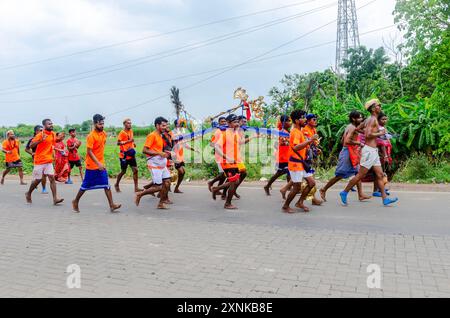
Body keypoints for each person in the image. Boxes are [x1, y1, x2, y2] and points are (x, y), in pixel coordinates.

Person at [339, 99, 398, 206]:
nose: (380, 107)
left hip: (373, 151)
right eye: (378, 105)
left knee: (380, 175)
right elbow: (368, 135)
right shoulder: (372, 120)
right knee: (361, 175)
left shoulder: (369, 120)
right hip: (369, 151)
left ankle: (385, 199)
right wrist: (380, 133)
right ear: (373, 108)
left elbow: (357, 129)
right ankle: (344, 192)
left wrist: (368, 132)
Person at [72, 114, 121, 213]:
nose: (102, 126)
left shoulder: (104, 134)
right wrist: (98, 163)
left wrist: (100, 162)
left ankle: (112, 205)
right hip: (92, 165)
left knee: (106, 184)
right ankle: (75, 201)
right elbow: (89, 152)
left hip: (101, 164)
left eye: (103, 123)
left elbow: (101, 147)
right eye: (100, 124)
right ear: (94, 124)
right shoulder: (91, 136)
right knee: (85, 185)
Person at [319, 111, 371, 201]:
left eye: (362, 117)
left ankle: (360, 194)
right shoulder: (352, 128)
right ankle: (323, 189)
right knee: (340, 175)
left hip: (351, 151)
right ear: (353, 119)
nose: (361, 119)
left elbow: (343, 139)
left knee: (358, 174)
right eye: (359, 117)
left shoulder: (350, 126)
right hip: (348, 152)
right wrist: (359, 143)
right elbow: (346, 141)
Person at [282, 110, 319, 213]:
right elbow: (296, 147)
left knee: (311, 183)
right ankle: (285, 206)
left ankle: (300, 202)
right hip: (295, 163)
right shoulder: (295, 132)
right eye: (303, 118)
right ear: (297, 120)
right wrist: (310, 140)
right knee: (297, 187)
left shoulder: (299, 131)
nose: (305, 120)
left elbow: (302, 147)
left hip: (301, 163)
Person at [135, 117, 172, 210]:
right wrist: (159, 153)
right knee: (158, 187)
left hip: (161, 163)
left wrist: (166, 153)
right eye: (163, 126)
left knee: (167, 183)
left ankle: (160, 203)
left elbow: (158, 149)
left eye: (166, 125)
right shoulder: (152, 135)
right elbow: (145, 150)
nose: (165, 127)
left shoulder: (161, 135)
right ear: (157, 125)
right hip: (153, 163)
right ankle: (140, 194)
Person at [25, 119, 64, 206]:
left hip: (48, 160)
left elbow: (52, 143)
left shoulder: (53, 134)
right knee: (38, 179)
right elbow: (31, 145)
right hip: (39, 161)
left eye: (51, 123)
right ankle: (28, 193)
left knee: (52, 178)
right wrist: (40, 140)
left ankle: (55, 199)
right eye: (49, 124)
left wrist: (60, 139)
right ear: (44, 126)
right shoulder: (40, 134)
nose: (51, 125)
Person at [211, 114, 245, 210]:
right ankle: (227, 203)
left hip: (235, 161)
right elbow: (216, 146)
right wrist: (226, 157)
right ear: (229, 123)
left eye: (237, 121)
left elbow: (240, 143)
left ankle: (216, 189)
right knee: (234, 182)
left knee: (235, 180)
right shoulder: (225, 134)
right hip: (226, 162)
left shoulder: (235, 133)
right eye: (234, 122)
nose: (237, 123)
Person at [264, 115, 291, 195]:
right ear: (283, 122)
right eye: (288, 121)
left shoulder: (285, 131)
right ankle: (268, 185)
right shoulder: (282, 132)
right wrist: (283, 143)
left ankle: (289, 187)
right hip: (282, 156)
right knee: (283, 172)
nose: (290, 123)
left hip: (287, 155)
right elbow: (277, 144)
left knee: (287, 172)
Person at [300, 114, 323, 206]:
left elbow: (313, 143)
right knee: (310, 179)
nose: (315, 121)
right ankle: (309, 200)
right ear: (308, 121)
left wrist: (316, 149)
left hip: (310, 155)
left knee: (308, 177)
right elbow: (306, 143)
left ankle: (285, 189)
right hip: (305, 156)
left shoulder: (313, 129)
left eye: (316, 119)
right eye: (314, 119)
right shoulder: (305, 130)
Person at [114, 118, 141, 193]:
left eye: (130, 123)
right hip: (124, 156)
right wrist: (128, 141)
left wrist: (133, 144)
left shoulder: (131, 131)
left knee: (135, 170)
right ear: (124, 124)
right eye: (128, 123)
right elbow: (118, 143)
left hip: (131, 154)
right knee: (123, 171)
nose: (130, 124)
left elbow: (131, 139)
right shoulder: (122, 133)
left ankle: (136, 188)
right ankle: (116, 184)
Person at [172, 119, 198, 194]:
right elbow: (173, 141)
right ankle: (159, 188)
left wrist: (193, 149)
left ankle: (176, 188)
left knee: (182, 172)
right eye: (180, 124)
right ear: (176, 125)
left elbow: (184, 144)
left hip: (180, 156)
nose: (181, 125)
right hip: (174, 156)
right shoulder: (173, 133)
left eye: (182, 124)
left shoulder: (181, 133)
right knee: (179, 171)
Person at [373, 112, 393, 197]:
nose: (385, 121)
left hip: (383, 153)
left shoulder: (382, 128)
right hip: (380, 153)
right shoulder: (379, 129)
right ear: (378, 120)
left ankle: (380, 188)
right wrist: (385, 155)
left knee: (381, 171)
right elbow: (382, 144)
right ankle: (376, 190)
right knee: (379, 173)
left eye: (386, 119)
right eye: (383, 119)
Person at [207, 117, 228, 198]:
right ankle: (212, 183)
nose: (224, 123)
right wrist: (218, 146)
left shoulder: (226, 131)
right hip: (220, 155)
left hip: (227, 155)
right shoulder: (217, 132)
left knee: (224, 174)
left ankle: (217, 188)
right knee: (224, 174)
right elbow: (211, 144)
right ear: (219, 123)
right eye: (222, 121)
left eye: (225, 121)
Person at [25, 125, 47, 193]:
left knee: (44, 174)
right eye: (40, 130)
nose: (42, 131)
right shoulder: (32, 140)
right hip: (36, 159)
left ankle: (44, 189)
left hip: (45, 158)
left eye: (42, 130)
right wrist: (32, 153)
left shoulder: (45, 138)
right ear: (36, 131)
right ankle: (34, 182)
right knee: (39, 175)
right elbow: (26, 149)